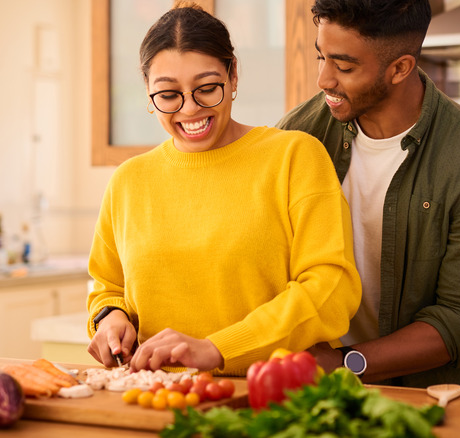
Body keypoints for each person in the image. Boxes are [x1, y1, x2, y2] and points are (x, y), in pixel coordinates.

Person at [86, 3, 361, 375]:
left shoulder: (293, 157)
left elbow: (330, 290)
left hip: (270, 396)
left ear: (233, 75)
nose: (189, 110)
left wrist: (219, 349)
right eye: (169, 95)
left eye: (207, 88)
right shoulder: (128, 180)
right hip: (154, 400)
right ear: (149, 93)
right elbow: (106, 287)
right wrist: (109, 319)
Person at [276, 0, 460, 392]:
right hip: (307, 394)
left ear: (400, 68)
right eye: (321, 57)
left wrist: (342, 365)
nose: (323, 79)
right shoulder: (298, 135)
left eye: (344, 66)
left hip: (424, 404)